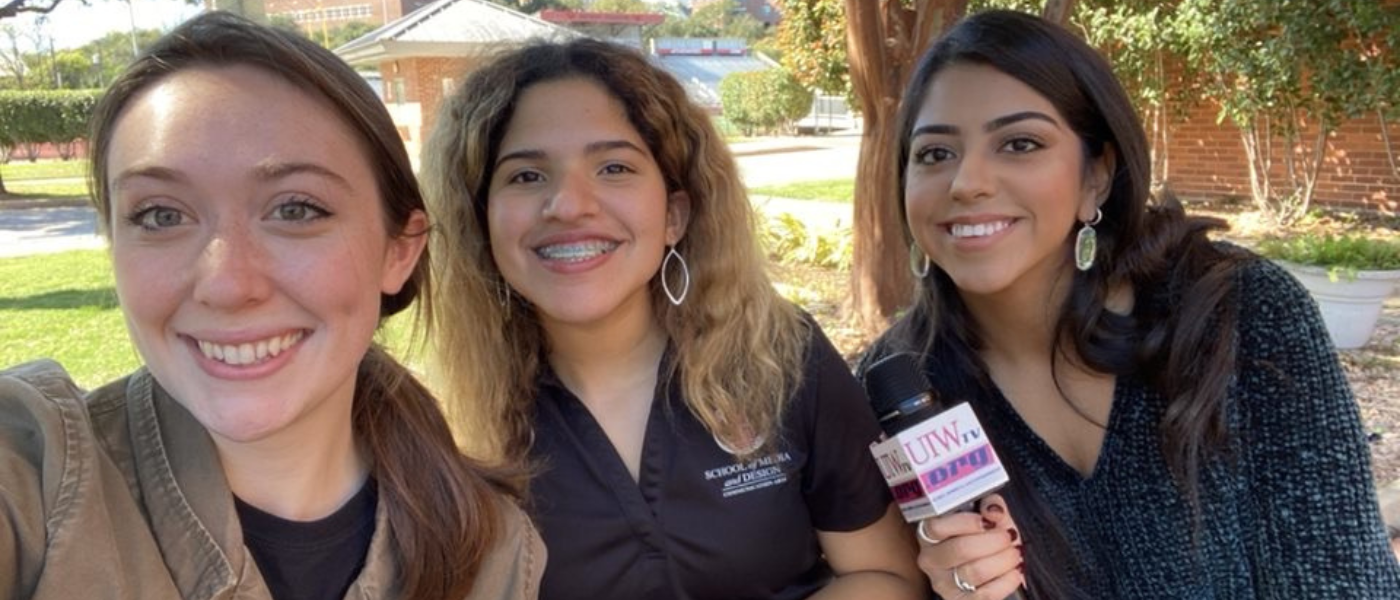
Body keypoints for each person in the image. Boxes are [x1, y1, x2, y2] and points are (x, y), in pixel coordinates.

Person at [858, 8, 1400, 599]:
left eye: (1019, 143)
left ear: (1097, 175)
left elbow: (1345, 581)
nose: (966, 182)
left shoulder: (1239, 315)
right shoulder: (899, 387)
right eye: (935, 154)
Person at [0, 12, 543, 600]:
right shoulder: (32, 477)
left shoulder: (495, 553)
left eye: (296, 209)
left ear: (398, 250)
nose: (228, 284)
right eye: (160, 215)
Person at [420, 38, 923, 600]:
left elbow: (886, 577)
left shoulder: (782, 358)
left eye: (613, 167)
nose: (568, 204)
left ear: (674, 217)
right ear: (480, 221)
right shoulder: (454, 433)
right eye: (526, 176)